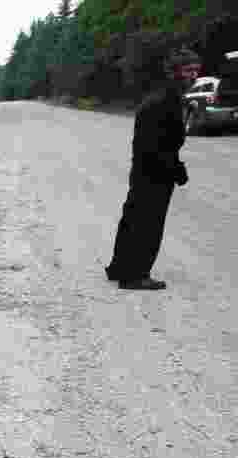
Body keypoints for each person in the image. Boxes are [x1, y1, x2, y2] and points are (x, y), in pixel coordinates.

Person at [105, 47, 202, 290]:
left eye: (196, 71)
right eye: (188, 70)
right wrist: (176, 169)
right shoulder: (163, 100)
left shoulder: (167, 97)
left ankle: (119, 268)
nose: (193, 75)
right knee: (147, 223)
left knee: (133, 218)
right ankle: (134, 275)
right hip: (153, 171)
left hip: (146, 169)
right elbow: (156, 145)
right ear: (175, 71)